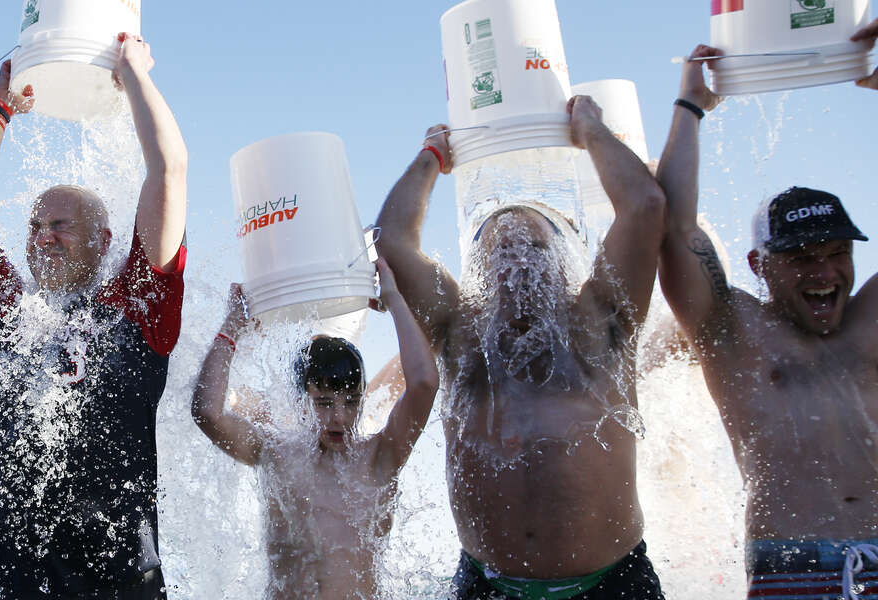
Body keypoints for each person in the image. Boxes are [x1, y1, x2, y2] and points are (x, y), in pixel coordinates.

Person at [375, 96, 668, 599]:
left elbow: (645, 206)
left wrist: (590, 129)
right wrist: (433, 156)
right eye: (499, 253)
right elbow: (393, 241)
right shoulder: (461, 338)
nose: (517, 267)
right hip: (489, 586)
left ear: (563, 262)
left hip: (611, 584)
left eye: (533, 248)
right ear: (478, 276)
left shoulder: (601, 328)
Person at [0, 33, 187, 599]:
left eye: (61, 226)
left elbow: (168, 171)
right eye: (34, 227)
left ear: (104, 241)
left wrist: (135, 78)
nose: (43, 238)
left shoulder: (138, 306)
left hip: (120, 575)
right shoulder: (10, 309)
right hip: (8, 577)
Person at [655, 33, 878, 598]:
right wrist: (689, 107)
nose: (825, 273)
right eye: (802, 259)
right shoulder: (734, 329)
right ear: (758, 264)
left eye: (837, 254)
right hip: (792, 568)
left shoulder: (873, 316)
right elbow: (675, 229)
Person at [191, 259, 439, 599]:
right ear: (300, 402)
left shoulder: (380, 458)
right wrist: (232, 326)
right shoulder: (276, 455)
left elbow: (424, 383)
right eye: (323, 403)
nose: (339, 417)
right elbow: (207, 412)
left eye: (350, 402)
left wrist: (394, 299)